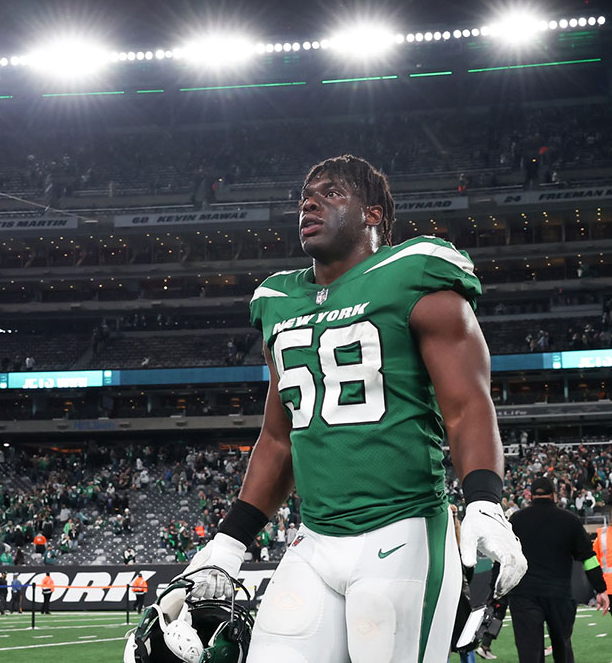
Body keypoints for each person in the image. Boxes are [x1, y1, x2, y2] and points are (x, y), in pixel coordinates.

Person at [187, 155, 528, 662]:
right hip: (316, 540)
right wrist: (230, 540)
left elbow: (466, 405)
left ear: (372, 214)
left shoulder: (413, 274)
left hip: (403, 531)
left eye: (331, 192)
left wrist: (483, 500)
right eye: (306, 194)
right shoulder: (280, 300)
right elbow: (279, 438)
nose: (310, 201)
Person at [507, 477, 610, 663]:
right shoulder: (569, 520)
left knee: (530, 655)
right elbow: (588, 558)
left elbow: (506, 559)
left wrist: (496, 594)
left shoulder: (516, 520)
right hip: (558, 594)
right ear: (554, 495)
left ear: (530, 495)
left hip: (524, 595)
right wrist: (600, 589)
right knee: (562, 648)